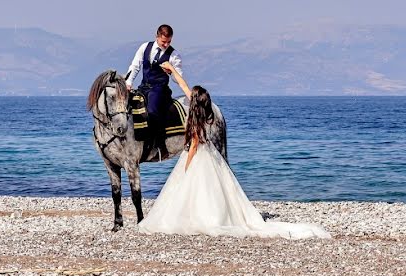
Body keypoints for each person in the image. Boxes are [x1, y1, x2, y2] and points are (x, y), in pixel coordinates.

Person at [138, 63, 331, 240]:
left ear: (194, 103)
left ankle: (199, 217)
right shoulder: (206, 113)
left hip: (197, 156)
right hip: (210, 154)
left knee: (192, 186)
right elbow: (186, 88)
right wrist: (174, 71)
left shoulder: (195, 119)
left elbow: (194, 145)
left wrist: (186, 166)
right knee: (217, 187)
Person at [125, 25, 183, 157]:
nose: (166, 44)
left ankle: (157, 143)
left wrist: (171, 71)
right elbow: (135, 66)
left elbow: (178, 77)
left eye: (169, 42)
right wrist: (129, 82)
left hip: (160, 89)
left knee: (152, 110)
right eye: (164, 42)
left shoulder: (174, 55)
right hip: (143, 87)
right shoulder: (145, 47)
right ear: (157, 37)